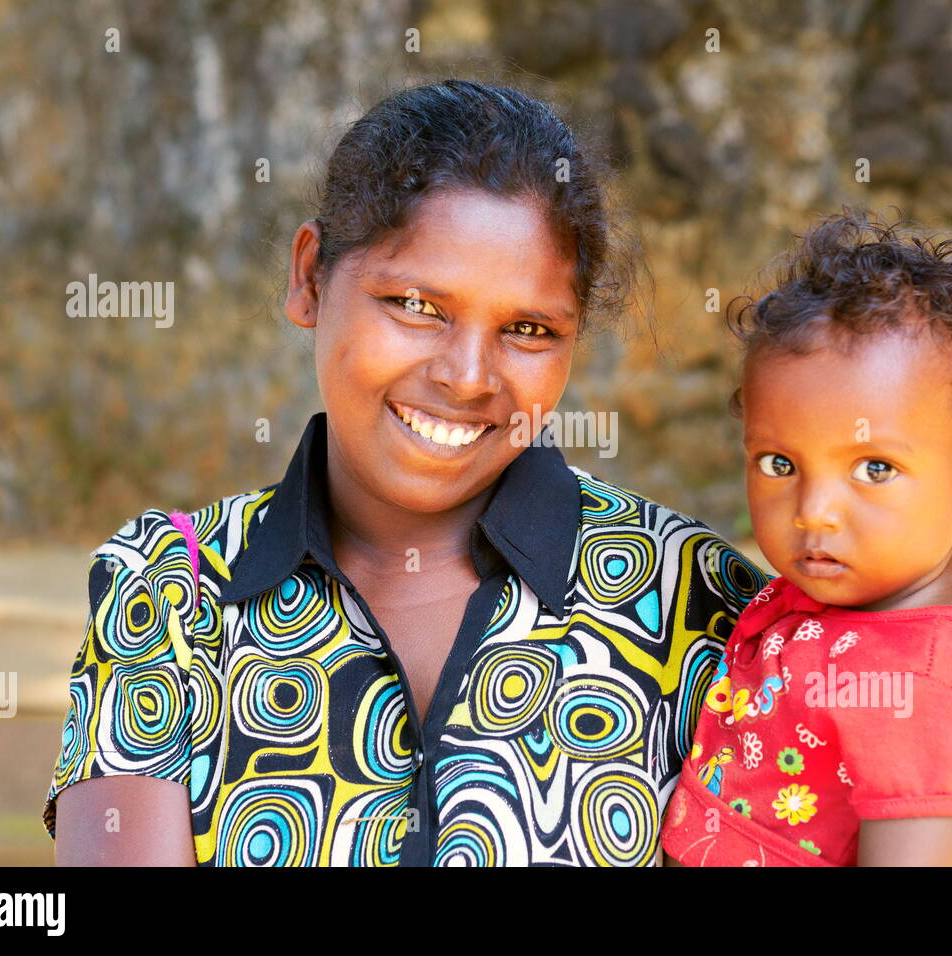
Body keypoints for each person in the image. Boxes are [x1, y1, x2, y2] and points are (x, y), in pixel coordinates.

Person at [43, 78, 769, 866]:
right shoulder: (172, 590)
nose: (466, 376)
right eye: (417, 305)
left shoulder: (698, 604)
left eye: (527, 329)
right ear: (310, 274)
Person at [661, 211, 952, 866]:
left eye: (876, 468)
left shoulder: (927, 684)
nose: (814, 511)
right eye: (779, 464)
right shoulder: (818, 603)